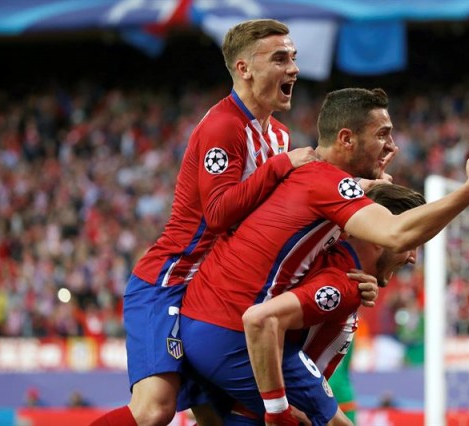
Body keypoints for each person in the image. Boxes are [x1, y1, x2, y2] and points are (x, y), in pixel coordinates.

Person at [179, 87, 469, 425]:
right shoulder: (341, 270)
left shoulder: (316, 185)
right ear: (346, 138)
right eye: (382, 135)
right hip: (234, 334)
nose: (392, 146)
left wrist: (371, 182)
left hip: (211, 324)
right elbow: (396, 232)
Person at [92, 18, 318, 426]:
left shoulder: (279, 137)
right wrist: (281, 168)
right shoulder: (223, 126)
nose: (293, 69)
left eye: (294, 58)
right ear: (244, 68)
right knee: (153, 411)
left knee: (222, 419)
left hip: (217, 295)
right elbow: (217, 214)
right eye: (280, 58)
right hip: (172, 280)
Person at [241, 184, 427, 425]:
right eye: (408, 243)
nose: (413, 257)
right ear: (381, 236)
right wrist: (279, 408)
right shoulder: (338, 284)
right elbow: (259, 320)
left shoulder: (350, 280)